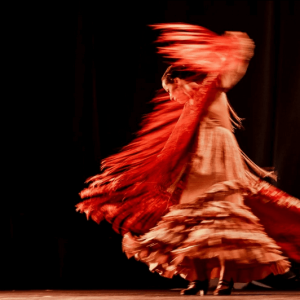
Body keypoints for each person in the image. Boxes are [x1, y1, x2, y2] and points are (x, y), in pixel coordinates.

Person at [77, 24, 300, 296]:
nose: (171, 96)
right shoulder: (190, 110)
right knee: (192, 221)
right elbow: (179, 142)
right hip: (198, 161)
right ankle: (197, 279)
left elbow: (231, 74)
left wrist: (237, 49)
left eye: (171, 89)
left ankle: (224, 280)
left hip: (219, 155)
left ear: (180, 81)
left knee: (223, 219)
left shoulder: (212, 87)